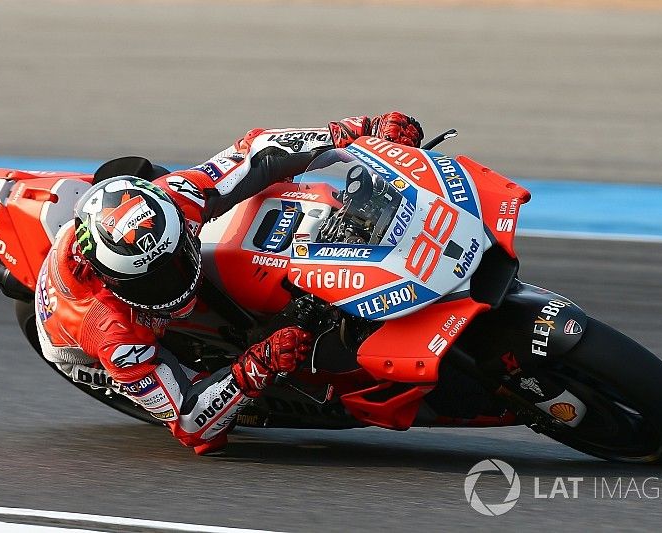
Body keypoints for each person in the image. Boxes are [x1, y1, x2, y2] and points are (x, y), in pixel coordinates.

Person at [35, 112, 424, 454]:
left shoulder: (174, 200)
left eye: (174, 262)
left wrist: (359, 131)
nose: (173, 284)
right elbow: (191, 426)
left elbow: (257, 152)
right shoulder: (113, 333)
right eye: (153, 282)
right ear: (112, 279)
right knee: (213, 403)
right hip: (78, 344)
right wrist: (255, 366)